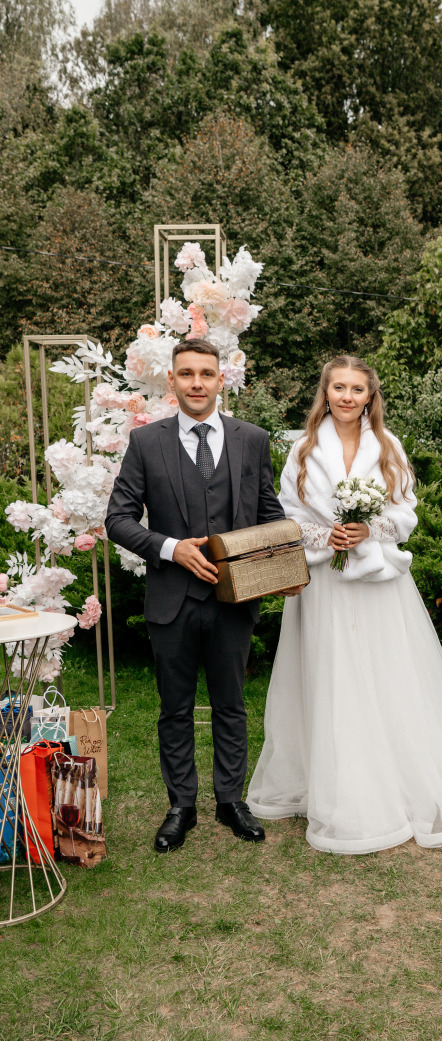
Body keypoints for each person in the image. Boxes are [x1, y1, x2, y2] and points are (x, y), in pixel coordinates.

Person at [247, 356, 442, 854]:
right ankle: (334, 783)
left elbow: (404, 513)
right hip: (323, 580)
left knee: (387, 674)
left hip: (379, 583)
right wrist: (327, 535)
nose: (347, 397)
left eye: (357, 389)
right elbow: (287, 515)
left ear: (371, 396)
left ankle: (398, 777)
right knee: (329, 676)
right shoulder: (301, 449)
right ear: (324, 392)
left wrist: (369, 530)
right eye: (338, 388)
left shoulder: (388, 447)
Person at [105, 338, 296, 853]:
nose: (196, 383)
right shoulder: (147, 443)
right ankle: (180, 806)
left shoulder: (252, 439)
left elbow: (269, 513)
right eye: (186, 374)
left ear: (220, 380)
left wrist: (277, 554)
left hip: (235, 602)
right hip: (171, 601)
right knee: (175, 708)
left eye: (206, 374)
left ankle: (230, 800)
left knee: (232, 704)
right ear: (172, 380)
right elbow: (117, 520)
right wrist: (170, 548)